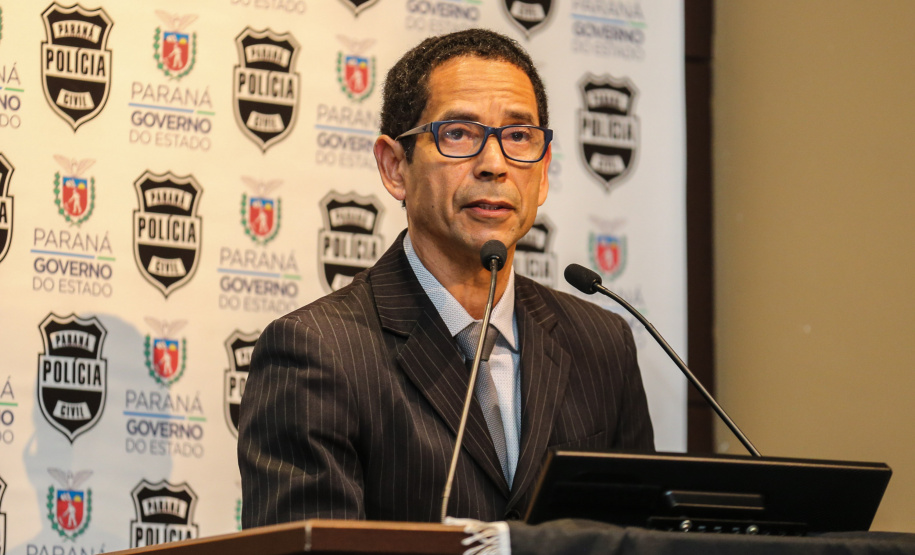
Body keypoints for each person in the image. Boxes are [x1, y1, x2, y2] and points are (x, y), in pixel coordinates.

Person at [237, 28, 654, 527]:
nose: (495, 165)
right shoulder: (317, 353)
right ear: (395, 167)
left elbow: (637, 538)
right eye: (458, 133)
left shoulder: (602, 345)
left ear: (542, 173)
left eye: (519, 136)